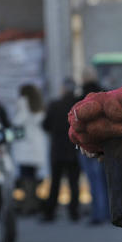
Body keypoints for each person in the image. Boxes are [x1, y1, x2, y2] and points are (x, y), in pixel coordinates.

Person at [41, 78, 81, 222]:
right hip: (73, 150)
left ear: (63, 89)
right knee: (73, 183)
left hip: (57, 150)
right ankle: (74, 212)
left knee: (55, 183)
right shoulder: (78, 106)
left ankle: (50, 213)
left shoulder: (54, 105)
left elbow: (45, 125)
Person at [78, 69, 111, 225]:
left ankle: (98, 213)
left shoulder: (79, 98)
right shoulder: (105, 94)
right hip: (104, 144)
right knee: (105, 181)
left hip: (86, 144)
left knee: (94, 181)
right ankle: (108, 212)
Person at [11, 83, 48, 216]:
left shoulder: (23, 104)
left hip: (25, 148)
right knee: (32, 177)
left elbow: (17, 122)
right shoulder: (39, 106)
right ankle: (33, 204)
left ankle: (28, 205)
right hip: (37, 147)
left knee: (25, 177)